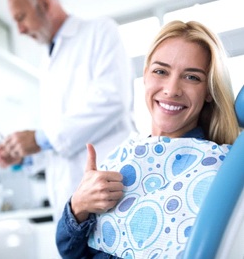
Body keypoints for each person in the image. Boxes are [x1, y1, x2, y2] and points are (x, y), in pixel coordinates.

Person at [55, 20, 240, 258]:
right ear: (145, 76)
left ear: (208, 91)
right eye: (161, 71)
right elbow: (71, 252)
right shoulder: (122, 157)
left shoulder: (220, 170)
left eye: (192, 77)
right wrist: (78, 206)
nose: (172, 89)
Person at [0, 0, 135, 221]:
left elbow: (112, 100)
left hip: (108, 193)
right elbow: (59, 137)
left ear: (45, 5)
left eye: (21, 17)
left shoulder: (99, 31)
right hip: (70, 204)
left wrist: (37, 139)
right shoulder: (47, 62)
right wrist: (23, 153)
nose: (19, 30)